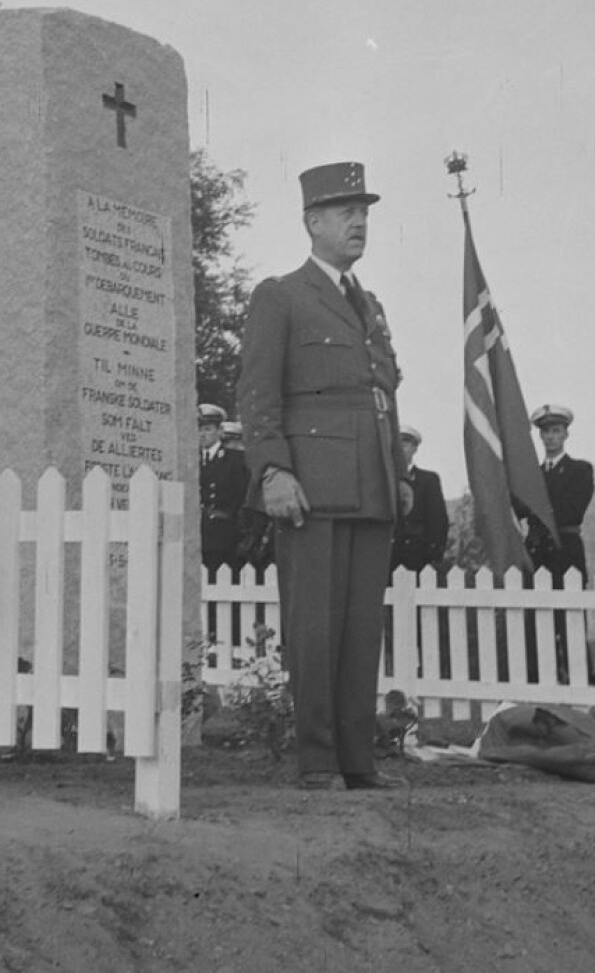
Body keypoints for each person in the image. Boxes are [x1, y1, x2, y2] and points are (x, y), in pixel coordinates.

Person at [237, 160, 408, 791]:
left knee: (362, 630)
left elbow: (384, 391)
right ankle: (316, 761)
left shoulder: (370, 305)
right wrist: (274, 470)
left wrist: (399, 469)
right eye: (345, 212)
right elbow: (256, 394)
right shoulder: (280, 295)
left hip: (372, 485)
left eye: (363, 212)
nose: (359, 222)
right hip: (310, 484)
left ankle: (357, 762)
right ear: (312, 222)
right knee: (314, 626)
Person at [526, 404, 595, 682]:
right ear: (540, 437)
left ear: (566, 434)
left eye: (556, 431)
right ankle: (545, 679)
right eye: (546, 432)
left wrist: (538, 510)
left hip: (565, 553)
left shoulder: (579, 469)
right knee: (540, 623)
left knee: (571, 622)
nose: (551, 437)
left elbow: (572, 510)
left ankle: (581, 679)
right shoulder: (530, 476)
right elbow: (520, 507)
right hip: (538, 553)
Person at [390, 425, 449, 576]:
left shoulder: (428, 480)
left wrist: (433, 555)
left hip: (418, 557)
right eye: (397, 443)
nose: (401, 447)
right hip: (386, 556)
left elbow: (438, 520)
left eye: (406, 443)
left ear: (415, 448)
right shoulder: (382, 480)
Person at [198, 403, 248, 577]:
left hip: (224, 535)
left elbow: (243, 497)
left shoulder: (235, 460)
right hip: (196, 534)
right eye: (199, 430)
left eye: (207, 429)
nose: (202, 434)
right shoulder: (192, 461)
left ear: (220, 431)